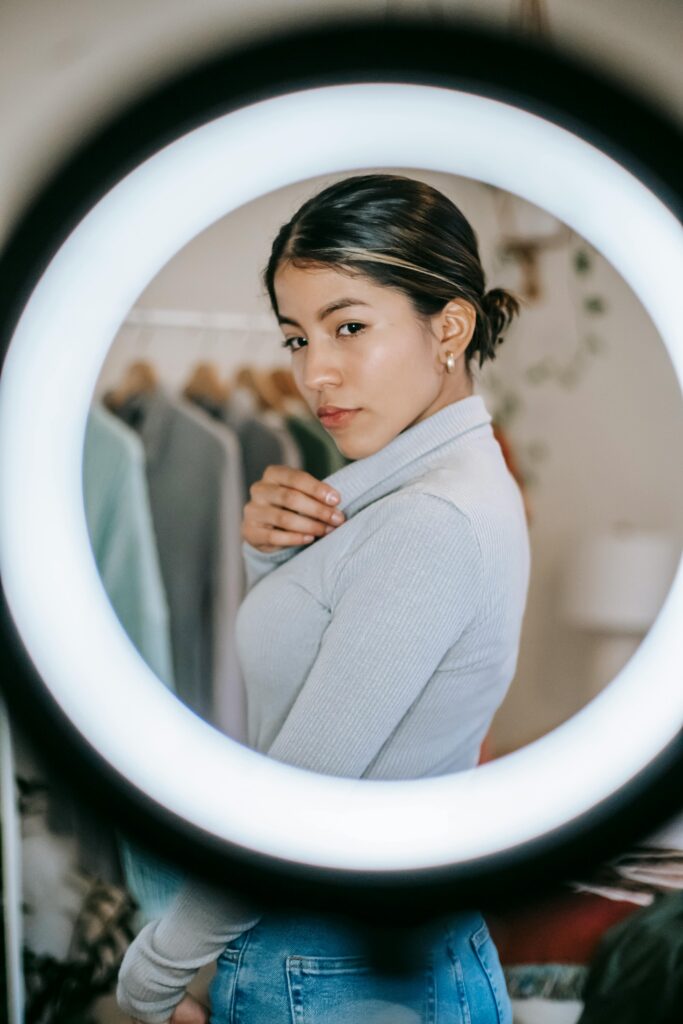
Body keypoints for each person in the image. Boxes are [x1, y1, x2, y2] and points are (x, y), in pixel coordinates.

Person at [116, 172, 530, 1024]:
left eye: (349, 326)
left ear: (448, 325)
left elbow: (294, 807)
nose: (316, 373)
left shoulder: (428, 519)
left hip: (342, 972)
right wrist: (272, 557)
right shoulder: (405, 487)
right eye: (296, 338)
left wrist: (155, 975)